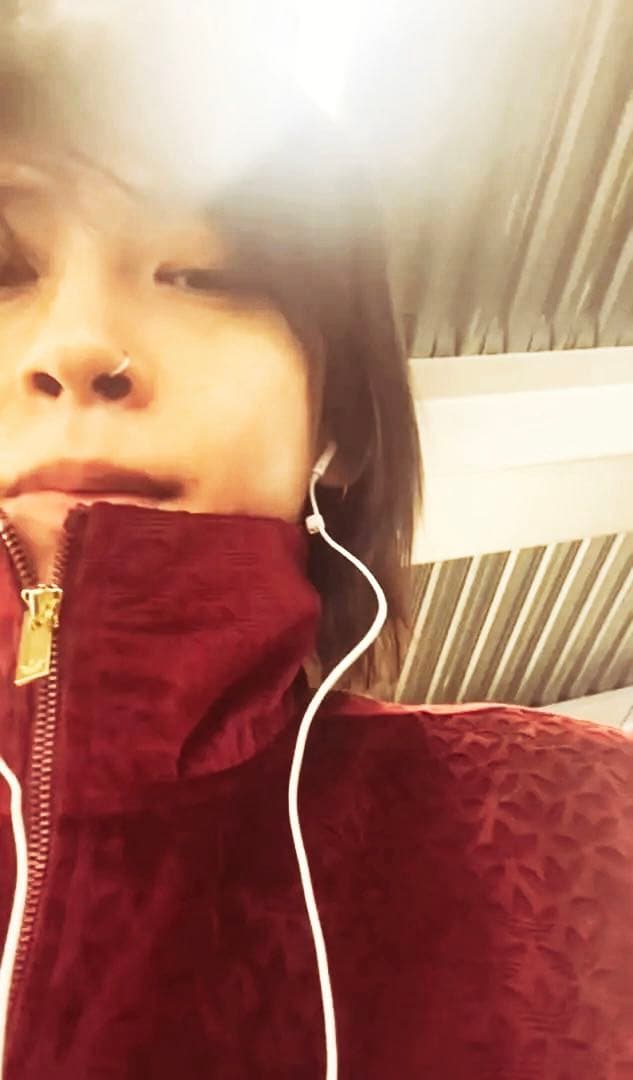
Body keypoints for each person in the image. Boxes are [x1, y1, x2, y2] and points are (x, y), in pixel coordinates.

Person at [0, 7, 631, 1079]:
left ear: (335, 421)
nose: (78, 345)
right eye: (2, 270)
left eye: (205, 272)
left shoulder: (583, 829)